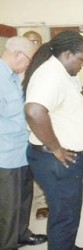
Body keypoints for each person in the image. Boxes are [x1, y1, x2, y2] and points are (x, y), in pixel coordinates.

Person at [23, 31, 83, 250]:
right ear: (66, 54)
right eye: (81, 58)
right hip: (55, 158)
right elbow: (35, 112)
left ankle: (68, 246)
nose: (82, 64)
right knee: (64, 214)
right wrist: (56, 148)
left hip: (62, 158)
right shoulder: (50, 75)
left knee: (69, 211)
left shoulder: (63, 73)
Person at [0, 36, 47, 249]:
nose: (29, 64)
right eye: (28, 59)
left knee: (24, 198)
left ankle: (21, 234)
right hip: (5, 154)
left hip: (22, 150)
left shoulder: (13, 77)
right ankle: (7, 244)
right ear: (17, 54)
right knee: (8, 207)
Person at [23, 30, 49, 220]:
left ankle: (41, 203)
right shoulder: (15, 67)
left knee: (40, 166)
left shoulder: (45, 66)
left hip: (38, 123)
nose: (32, 45)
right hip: (17, 126)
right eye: (28, 42)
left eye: (35, 41)